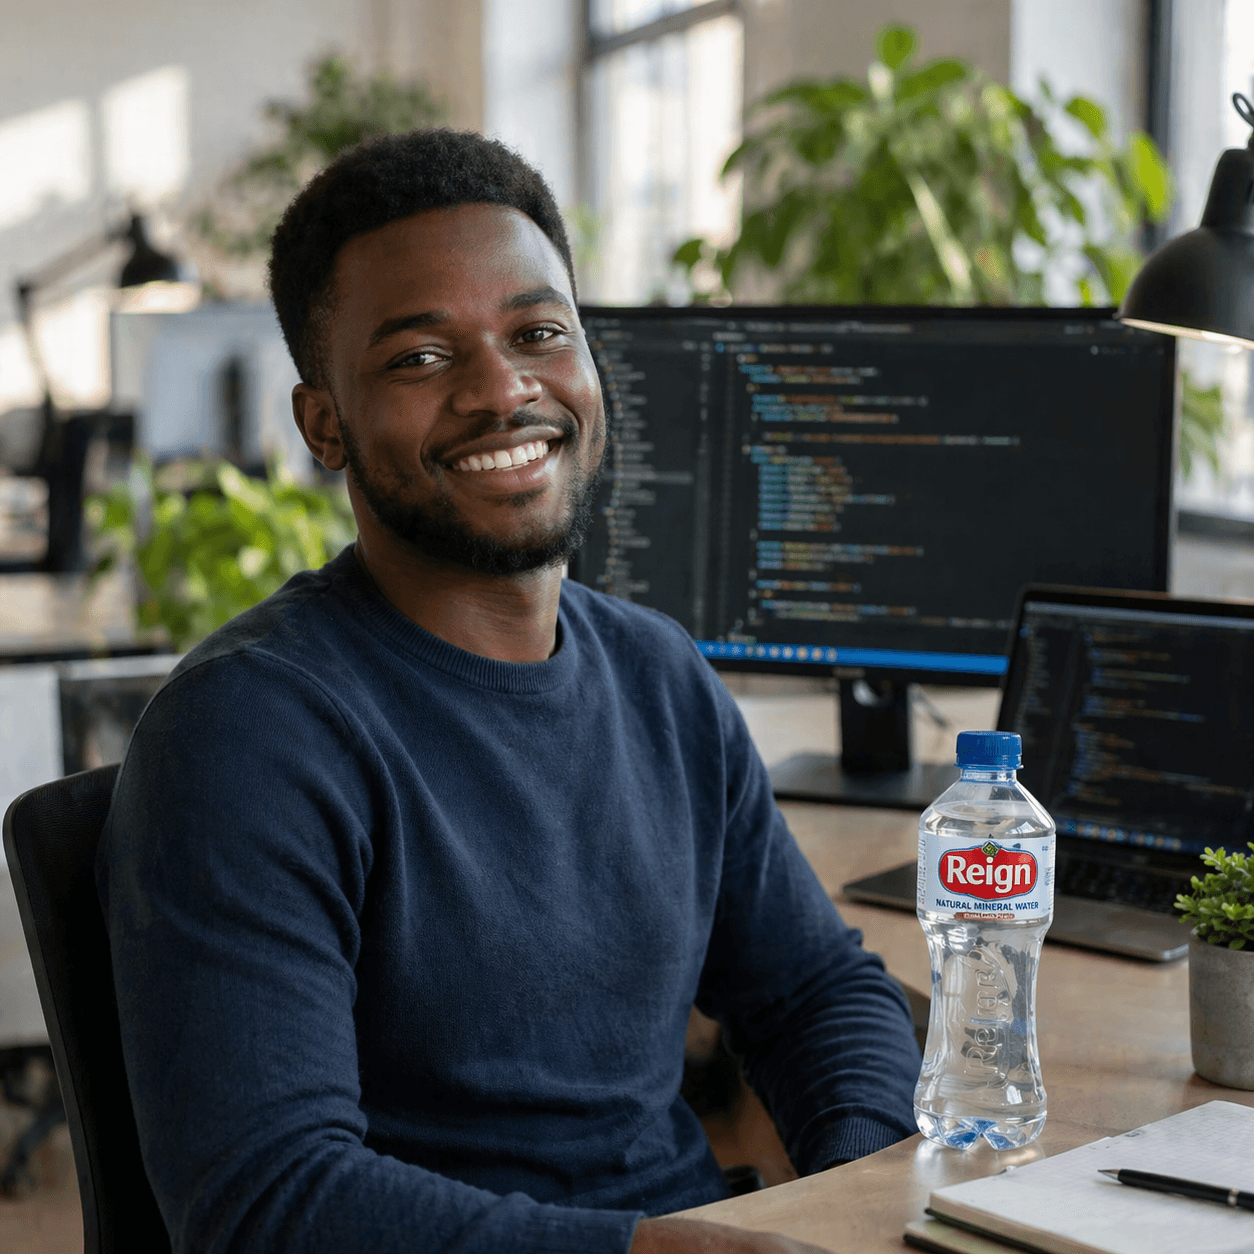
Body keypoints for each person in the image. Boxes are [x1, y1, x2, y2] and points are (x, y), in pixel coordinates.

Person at [98, 128, 921, 1254]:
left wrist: (850, 1198)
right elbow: (265, 1202)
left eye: (538, 333)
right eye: (420, 358)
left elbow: (821, 993)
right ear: (324, 424)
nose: (502, 390)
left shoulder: (659, 677)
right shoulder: (251, 732)